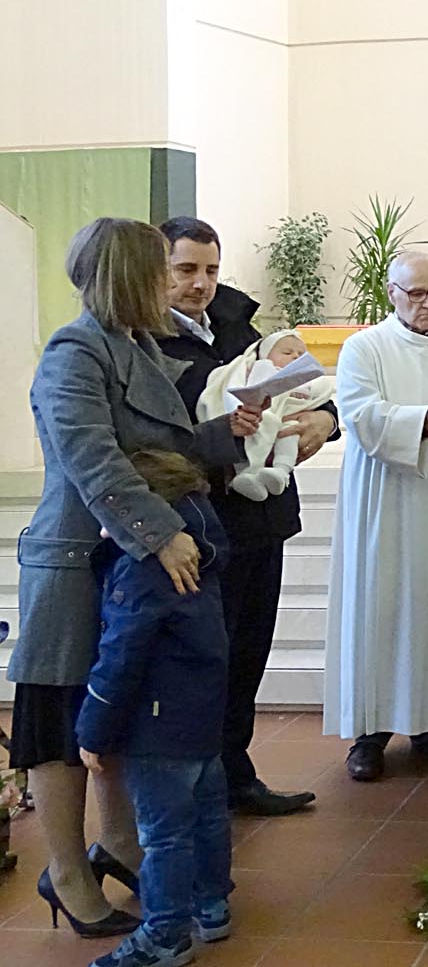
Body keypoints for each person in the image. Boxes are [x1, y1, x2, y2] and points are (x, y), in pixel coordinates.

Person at [8, 218, 253, 938]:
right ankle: (66, 873)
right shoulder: (75, 351)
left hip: (121, 557)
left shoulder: (137, 345)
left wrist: (230, 434)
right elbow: (93, 459)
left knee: (119, 716)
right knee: (62, 725)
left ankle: (118, 846)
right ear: (128, 277)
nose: (172, 285)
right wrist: (163, 534)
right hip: (76, 561)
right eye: (159, 271)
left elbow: (159, 449)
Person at [157, 216, 339, 818]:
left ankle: (235, 772)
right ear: (158, 269)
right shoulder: (146, 340)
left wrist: (326, 418)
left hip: (262, 520)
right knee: (207, 658)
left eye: (211, 270)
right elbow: (161, 437)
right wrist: (227, 428)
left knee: (249, 652)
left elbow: (297, 384)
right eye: (186, 270)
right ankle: (199, 783)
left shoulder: (235, 323)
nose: (201, 284)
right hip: (202, 520)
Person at [325, 251, 428, 782]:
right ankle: (369, 734)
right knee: (383, 607)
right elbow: (359, 417)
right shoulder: (365, 348)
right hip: (386, 503)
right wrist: (425, 419)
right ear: (391, 293)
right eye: (415, 293)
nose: (427, 303)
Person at [76, 450, 234, 967]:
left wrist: (93, 730)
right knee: (208, 817)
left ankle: (165, 934)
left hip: (156, 726)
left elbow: (119, 657)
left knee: (163, 835)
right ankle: (211, 906)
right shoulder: (201, 558)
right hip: (202, 716)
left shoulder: (143, 569)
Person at [199, 331, 337, 501]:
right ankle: (248, 474)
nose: (295, 356)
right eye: (287, 353)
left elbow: (322, 397)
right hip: (255, 422)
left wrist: (327, 417)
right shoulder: (260, 369)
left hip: (289, 425)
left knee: (288, 433)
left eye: (301, 355)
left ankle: (281, 471)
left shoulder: (240, 327)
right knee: (263, 427)